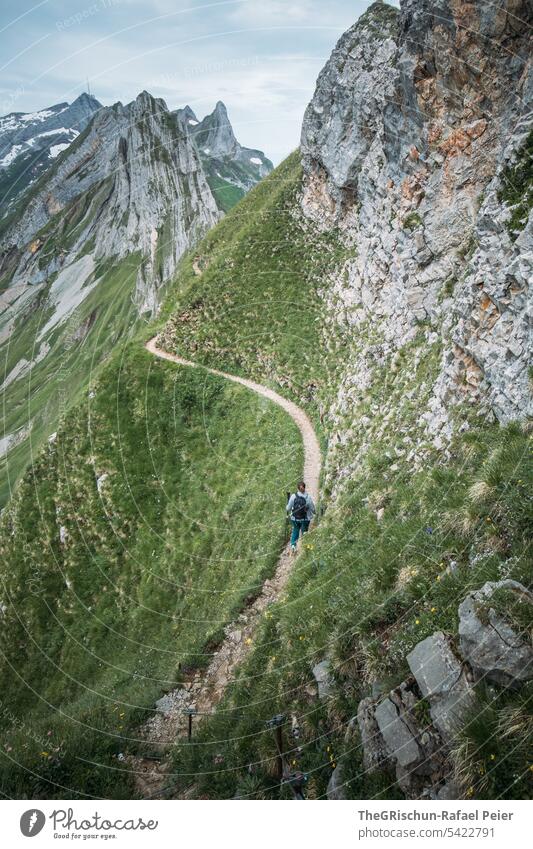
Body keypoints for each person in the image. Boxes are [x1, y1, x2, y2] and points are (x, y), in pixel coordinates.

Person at [286, 481, 315, 554]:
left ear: (297, 488)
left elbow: (288, 508)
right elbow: (313, 509)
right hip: (305, 519)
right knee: (304, 532)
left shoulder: (293, 496)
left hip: (295, 518)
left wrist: (288, 507)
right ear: (305, 487)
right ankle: (304, 548)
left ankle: (293, 546)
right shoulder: (308, 497)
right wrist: (314, 513)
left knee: (295, 530)